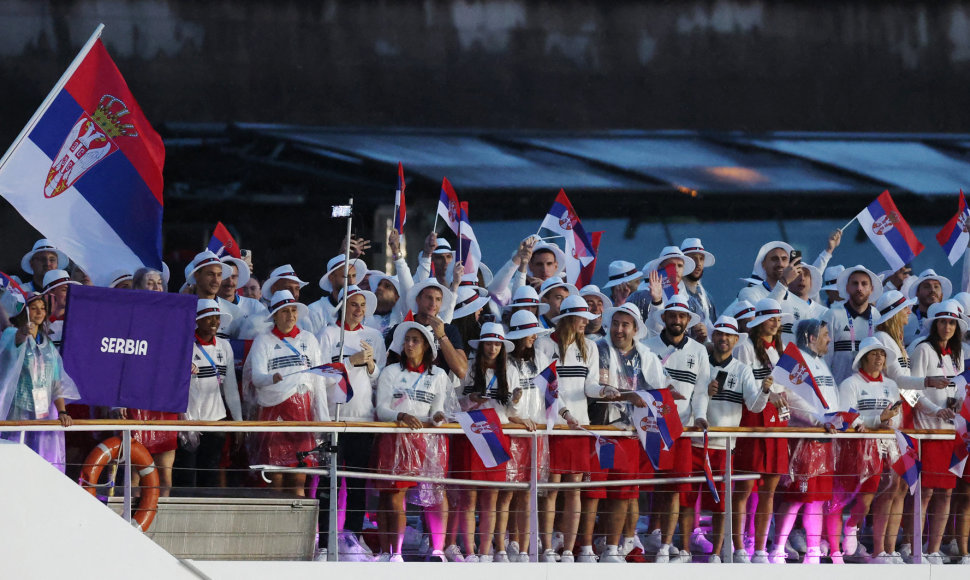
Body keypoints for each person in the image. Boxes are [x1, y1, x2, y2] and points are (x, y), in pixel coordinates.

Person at [690, 315, 768, 563]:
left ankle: (717, 552)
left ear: (736, 340)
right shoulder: (703, 364)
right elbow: (689, 400)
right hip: (694, 443)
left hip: (725, 447)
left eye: (728, 335)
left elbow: (754, 407)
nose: (723, 339)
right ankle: (681, 547)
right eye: (719, 334)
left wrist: (765, 391)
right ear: (713, 337)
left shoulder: (743, 370)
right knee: (686, 498)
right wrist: (705, 394)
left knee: (721, 503)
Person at [593, 303, 665, 563]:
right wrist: (627, 395)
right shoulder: (600, 349)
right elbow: (601, 385)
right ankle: (599, 543)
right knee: (599, 494)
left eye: (625, 325)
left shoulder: (646, 355)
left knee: (626, 493)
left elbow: (660, 390)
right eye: (615, 324)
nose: (619, 330)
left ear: (635, 329)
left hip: (633, 434)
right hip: (603, 431)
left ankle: (618, 545)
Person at [316, 285, 385, 552]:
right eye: (354, 304)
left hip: (362, 419)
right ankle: (323, 542)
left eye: (362, 305)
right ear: (343, 306)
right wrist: (349, 362)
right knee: (328, 482)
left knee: (357, 483)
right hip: (334, 418)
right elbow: (319, 375)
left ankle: (353, 538)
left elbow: (378, 377)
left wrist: (369, 365)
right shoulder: (328, 334)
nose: (358, 310)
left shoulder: (374, 336)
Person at [375, 322, 452, 562]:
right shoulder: (390, 372)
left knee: (435, 494)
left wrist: (438, 418)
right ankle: (394, 552)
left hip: (427, 442)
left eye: (415, 340)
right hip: (396, 441)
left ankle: (437, 550)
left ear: (427, 346)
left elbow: (438, 411)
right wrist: (401, 416)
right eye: (407, 339)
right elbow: (381, 409)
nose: (409, 344)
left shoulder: (438, 375)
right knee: (393, 496)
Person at [771, 319, 846, 565]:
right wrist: (817, 420)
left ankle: (813, 549)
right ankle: (778, 548)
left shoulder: (821, 363)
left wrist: (838, 420)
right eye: (825, 334)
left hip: (824, 440)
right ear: (811, 338)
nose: (829, 340)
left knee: (819, 498)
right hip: (803, 440)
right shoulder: (794, 361)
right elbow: (790, 398)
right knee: (795, 497)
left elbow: (830, 399)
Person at [644, 294, 711, 562]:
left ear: (687, 320)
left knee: (674, 488)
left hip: (681, 430)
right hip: (650, 427)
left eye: (682, 316)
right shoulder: (647, 346)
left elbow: (701, 391)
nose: (677, 320)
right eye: (672, 315)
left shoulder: (699, 350)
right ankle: (645, 537)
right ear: (664, 318)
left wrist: (700, 416)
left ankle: (665, 544)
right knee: (644, 486)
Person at [534, 294, 600, 563]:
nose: (585, 322)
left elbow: (590, 387)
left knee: (574, 489)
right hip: (555, 425)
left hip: (578, 425)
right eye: (581, 317)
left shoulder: (591, 348)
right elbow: (545, 388)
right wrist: (565, 413)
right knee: (551, 489)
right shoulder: (543, 344)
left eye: (587, 318)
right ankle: (548, 547)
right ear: (566, 319)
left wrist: (610, 392)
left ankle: (570, 550)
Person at [245, 290, 329, 496]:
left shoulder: (309, 340)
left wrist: (324, 421)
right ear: (274, 315)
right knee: (276, 481)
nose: (290, 315)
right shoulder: (262, 341)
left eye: (293, 310)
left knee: (299, 479)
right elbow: (256, 377)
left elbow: (318, 382)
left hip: (302, 418)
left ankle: (299, 526)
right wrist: (270, 378)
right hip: (274, 416)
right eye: (285, 311)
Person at [836, 337, 906, 563]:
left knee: (889, 493)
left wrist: (888, 422)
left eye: (882, 354)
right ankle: (850, 525)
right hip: (861, 449)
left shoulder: (891, 385)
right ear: (863, 358)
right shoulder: (850, 383)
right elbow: (848, 417)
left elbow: (899, 417)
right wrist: (878, 418)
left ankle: (880, 550)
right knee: (865, 498)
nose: (879, 358)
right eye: (874, 354)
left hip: (889, 447)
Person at [456, 323, 522, 562]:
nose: (493, 348)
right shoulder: (470, 369)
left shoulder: (511, 370)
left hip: (497, 432)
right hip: (473, 431)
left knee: (491, 497)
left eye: (497, 344)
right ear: (481, 344)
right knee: (469, 497)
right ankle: (471, 552)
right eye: (489, 343)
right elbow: (455, 401)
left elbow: (512, 410)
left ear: (502, 347)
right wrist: (470, 399)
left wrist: (515, 400)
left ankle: (486, 551)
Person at [732, 298, 791, 563]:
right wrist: (770, 395)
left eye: (778, 319)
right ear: (758, 321)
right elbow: (745, 385)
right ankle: (738, 547)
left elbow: (787, 388)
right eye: (771, 318)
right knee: (743, 489)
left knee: (769, 489)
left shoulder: (780, 349)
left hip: (777, 422)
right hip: (753, 417)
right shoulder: (744, 346)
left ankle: (759, 548)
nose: (776, 324)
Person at [909, 300, 964, 564]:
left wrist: (955, 404)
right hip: (926, 432)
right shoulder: (922, 349)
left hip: (949, 432)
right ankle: (915, 547)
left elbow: (957, 390)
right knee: (926, 492)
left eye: (952, 322)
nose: (947, 326)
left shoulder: (955, 354)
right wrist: (935, 410)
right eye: (943, 321)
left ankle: (934, 549)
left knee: (946, 493)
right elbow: (910, 392)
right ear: (934, 324)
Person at [0, 290, 78, 471]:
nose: (39, 312)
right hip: (18, 410)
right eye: (34, 308)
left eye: (42, 308)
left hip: (43, 412)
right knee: (14, 460)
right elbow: (15, 344)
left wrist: (62, 412)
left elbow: (55, 382)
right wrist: (22, 332)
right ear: (24, 312)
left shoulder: (48, 344)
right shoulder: (12, 333)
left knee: (41, 461)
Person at [174, 299, 242, 488]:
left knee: (210, 475)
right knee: (185, 477)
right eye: (208, 318)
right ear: (197, 320)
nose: (214, 322)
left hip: (216, 420)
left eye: (217, 318)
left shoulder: (224, 345)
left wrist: (238, 423)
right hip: (188, 420)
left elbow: (230, 388)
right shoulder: (184, 345)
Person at [503, 310, 552, 562]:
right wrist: (515, 407)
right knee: (508, 491)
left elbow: (551, 391)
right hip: (514, 431)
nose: (533, 337)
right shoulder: (506, 362)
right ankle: (506, 542)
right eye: (529, 333)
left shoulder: (542, 359)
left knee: (527, 492)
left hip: (536, 433)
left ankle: (523, 547)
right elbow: (505, 403)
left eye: (534, 333)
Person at [385, 279, 467, 381]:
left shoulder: (450, 331)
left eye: (438, 299)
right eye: (429, 298)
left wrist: (442, 337)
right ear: (418, 299)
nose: (433, 303)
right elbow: (386, 366)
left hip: (437, 391)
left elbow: (461, 371)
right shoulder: (400, 329)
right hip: (404, 391)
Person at [822, 265, 881, 384]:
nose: (859, 288)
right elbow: (824, 359)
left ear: (871, 289)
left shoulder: (878, 317)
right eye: (855, 283)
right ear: (847, 287)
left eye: (864, 284)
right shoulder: (832, 315)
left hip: (871, 393)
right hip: (839, 390)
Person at [307, 254, 367, 332]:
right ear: (331, 278)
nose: (351, 281)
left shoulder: (364, 310)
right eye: (346, 276)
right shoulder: (315, 311)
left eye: (354, 275)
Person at [217, 254, 268, 339]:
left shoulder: (255, 306)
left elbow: (267, 336)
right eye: (225, 277)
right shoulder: (209, 305)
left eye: (233, 277)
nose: (230, 282)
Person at [681, 238, 718, 341]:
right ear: (683, 262)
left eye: (701, 258)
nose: (698, 263)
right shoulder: (675, 293)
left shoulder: (707, 297)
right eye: (693, 259)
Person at [903, 269, 952, 347]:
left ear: (942, 294)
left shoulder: (951, 322)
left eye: (936, 286)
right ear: (917, 293)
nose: (932, 290)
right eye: (926, 286)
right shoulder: (905, 321)